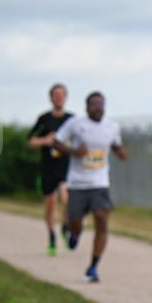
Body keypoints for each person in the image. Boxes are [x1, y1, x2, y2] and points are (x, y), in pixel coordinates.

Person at [51, 91, 128, 283]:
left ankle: (93, 267)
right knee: (75, 222)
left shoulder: (112, 127)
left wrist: (120, 152)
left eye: (101, 104)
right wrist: (74, 152)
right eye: (94, 104)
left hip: (100, 183)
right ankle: (74, 232)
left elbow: (115, 145)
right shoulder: (75, 124)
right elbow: (56, 142)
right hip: (77, 184)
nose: (98, 107)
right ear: (87, 107)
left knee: (102, 219)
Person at [27, 83, 73, 256]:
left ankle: (65, 227)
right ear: (51, 98)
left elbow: (79, 139)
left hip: (65, 167)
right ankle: (52, 235)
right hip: (47, 168)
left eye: (62, 95)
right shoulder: (44, 119)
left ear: (66, 97)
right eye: (56, 95)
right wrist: (45, 141)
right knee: (51, 204)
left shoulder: (72, 119)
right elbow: (31, 140)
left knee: (66, 198)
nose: (59, 98)